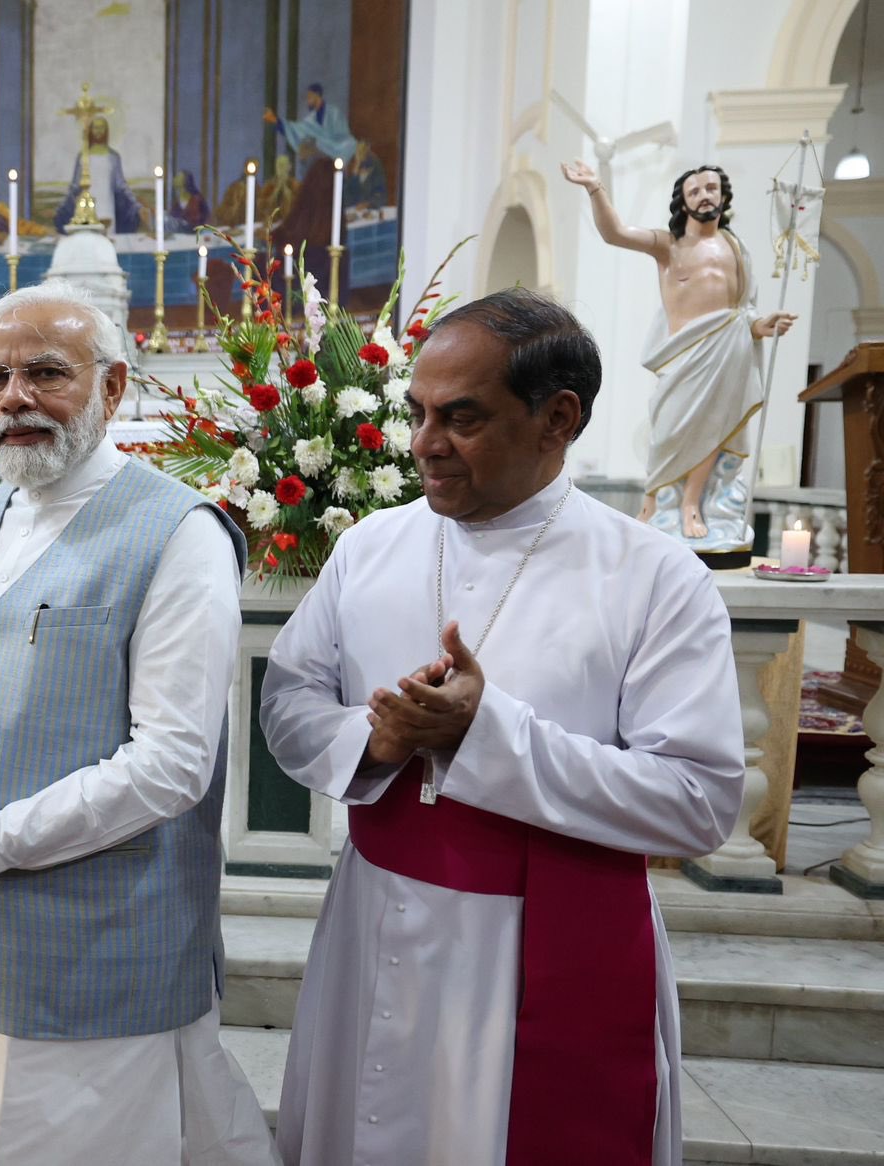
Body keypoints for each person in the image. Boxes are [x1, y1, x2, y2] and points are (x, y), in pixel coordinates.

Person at [259, 288, 744, 1165]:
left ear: (558, 418)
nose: (423, 445)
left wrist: (483, 735)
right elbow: (289, 704)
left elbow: (698, 802)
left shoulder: (654, 577)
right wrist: (379, 742)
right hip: (374, 921)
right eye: (416, 414)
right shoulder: (371, 545)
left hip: (541, 946)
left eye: (462, 418)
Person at [0, 283, 278, 1166]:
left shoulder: (179, 533)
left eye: (48, 373)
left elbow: (169, 767)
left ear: (113, 388)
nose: (16, 399)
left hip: (95, 953)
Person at [561, 162, 796, 542]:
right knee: (669, 430)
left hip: (727, 351)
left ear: (722, 195)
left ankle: (690, 503)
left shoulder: (736, 248)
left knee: (713, 429)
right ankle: (652, 504)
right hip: (683, 356)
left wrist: (760, 325)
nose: (705, 195)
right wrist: (595, 188)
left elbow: (743, 308)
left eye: (711, 188)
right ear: (683, 202)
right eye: (695, 191)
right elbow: (615, 232)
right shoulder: (669, 245)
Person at [53, 115, 143, 234]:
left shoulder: (113, 157)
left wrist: (137, 206)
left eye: (102, 128)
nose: (99, 131)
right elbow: (75, 186)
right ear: (90, 130)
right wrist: (61, 208)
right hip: (85, 206)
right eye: (96, 128)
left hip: (106, 204)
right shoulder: (83, 156)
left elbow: (121, 185)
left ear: (106, 131)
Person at [264, 83, 356, 164]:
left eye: (309, 97)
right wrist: (275, 120)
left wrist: (330, 145)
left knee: (351, 144)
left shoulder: (334, 113)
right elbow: (294, 129)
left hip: (337, 151)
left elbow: (343, 135)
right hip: (319, 158)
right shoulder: (310, 119)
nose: (307, 100)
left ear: (317, 95)